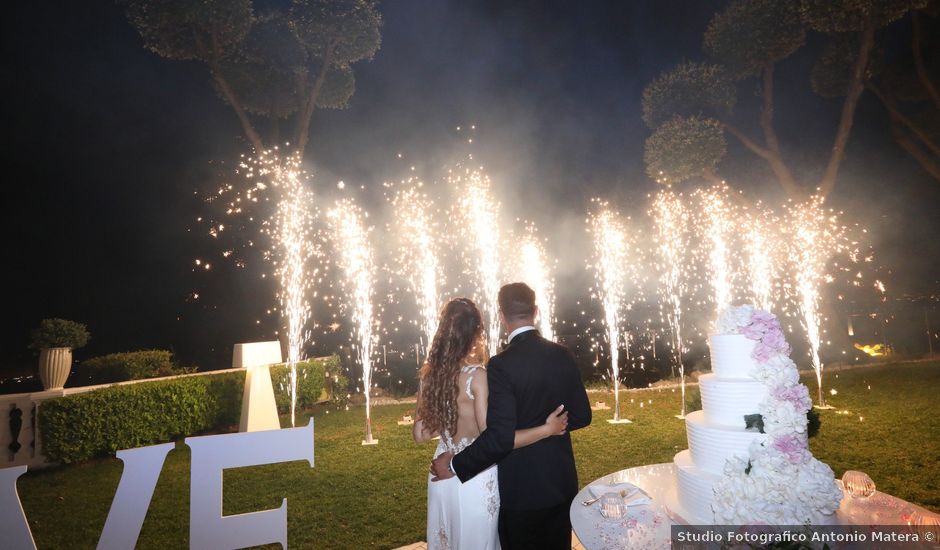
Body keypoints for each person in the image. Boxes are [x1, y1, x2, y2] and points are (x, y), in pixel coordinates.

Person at [431, 283, 592, 549]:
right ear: (536, 311)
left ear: (502, 316)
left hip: (521, 491)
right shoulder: (562, 354)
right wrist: (553, 426)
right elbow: (584, 415)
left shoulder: (501, 364)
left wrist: (454, 465)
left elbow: (499, 437)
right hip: (560, 483)